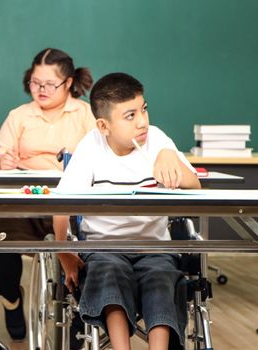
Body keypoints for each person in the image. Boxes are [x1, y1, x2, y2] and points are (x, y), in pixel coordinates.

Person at [53, 72, 201, 350]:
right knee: (108, 272)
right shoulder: (90, 147)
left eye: (143, 109)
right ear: (104, 126)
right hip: (104, 248)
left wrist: (170, 157)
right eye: (130, 115)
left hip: (153, 248)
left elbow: (194, 184)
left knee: (162, 278)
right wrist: (66, 256)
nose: (142, 121)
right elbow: (60, 206)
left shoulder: (156, 139)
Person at [0, 48, 96, 340]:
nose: (41, 90)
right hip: (26, 200)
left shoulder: (86, 114)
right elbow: (0, 156)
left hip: (70, 201)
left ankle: (80, 314)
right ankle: (10, 298)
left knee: (86, 241)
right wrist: (2, 162)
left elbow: (100, 157)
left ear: (68, 83)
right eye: (35, 82)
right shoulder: (19, 115)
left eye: (49, 84)